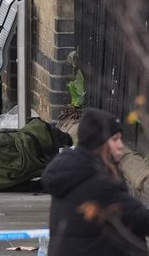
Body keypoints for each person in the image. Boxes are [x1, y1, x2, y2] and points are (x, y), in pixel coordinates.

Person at [42, 108, 149, 256]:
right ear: (100, 143)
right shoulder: (96, 180)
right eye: (114, 139)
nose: (120, 146)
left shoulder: (73, 169)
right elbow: (139, 218)